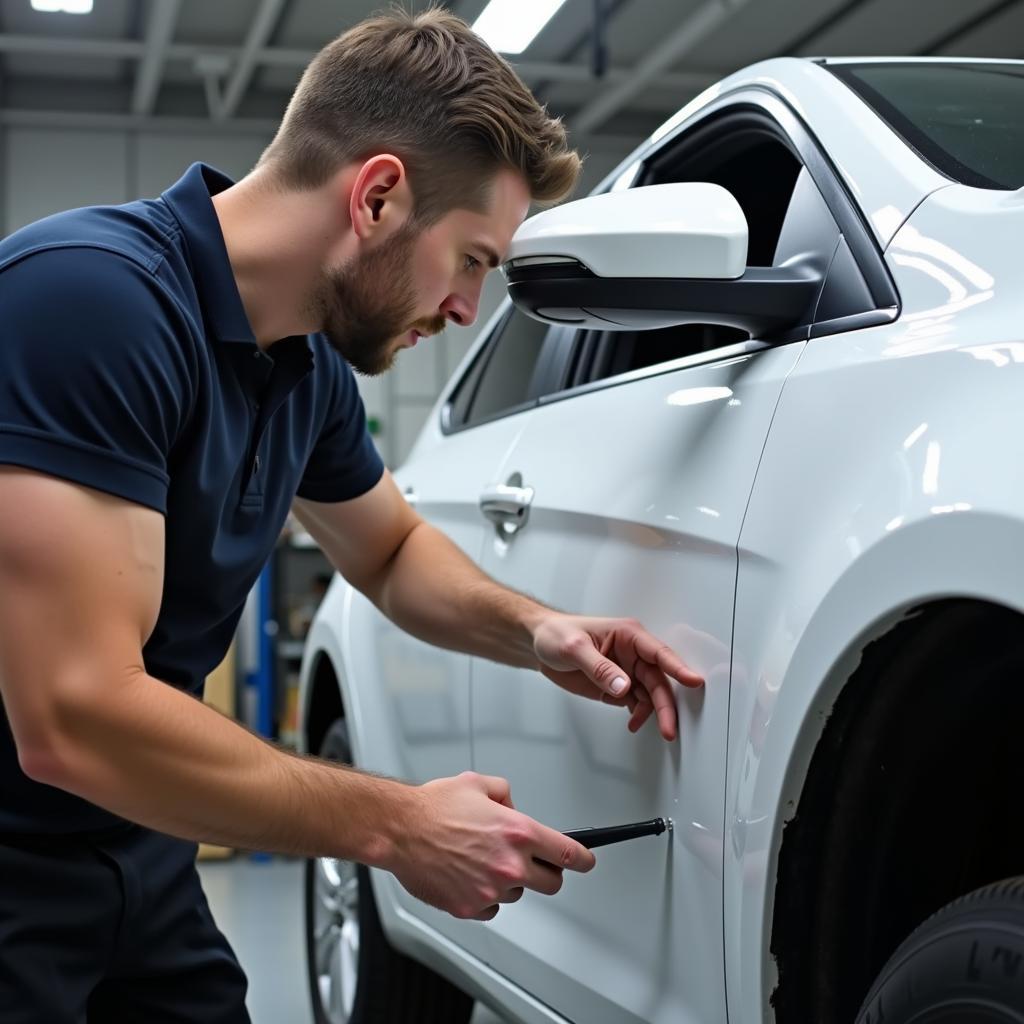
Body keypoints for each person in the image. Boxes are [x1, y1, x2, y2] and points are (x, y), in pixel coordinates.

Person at [0, 7, 704, 1022]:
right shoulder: (88, 305)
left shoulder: (308, 367)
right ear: (377, 197)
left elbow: (391, 551)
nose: (468, 309)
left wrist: (537, 629)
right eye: (470, 260)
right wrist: (396, 825)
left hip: (137, 852)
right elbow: (74, 716)